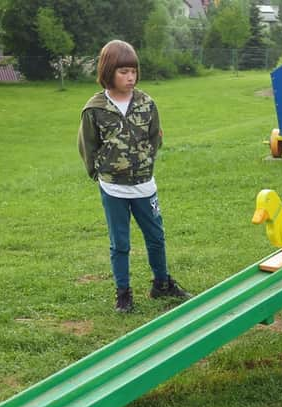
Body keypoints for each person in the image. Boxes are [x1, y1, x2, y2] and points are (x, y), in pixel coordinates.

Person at [78, 40, 191, 313]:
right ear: (108, 72)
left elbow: (155, 137)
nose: (130, 78)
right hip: (113, 189)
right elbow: (87, 145)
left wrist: (145, 163)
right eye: (123, 72)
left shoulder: (146, 103)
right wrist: (100, 171)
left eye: (133, 71)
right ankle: (123, 293)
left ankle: (162, 284)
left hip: (144, 186)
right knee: (120, 244)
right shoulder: (94, 109)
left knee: (156, 237)